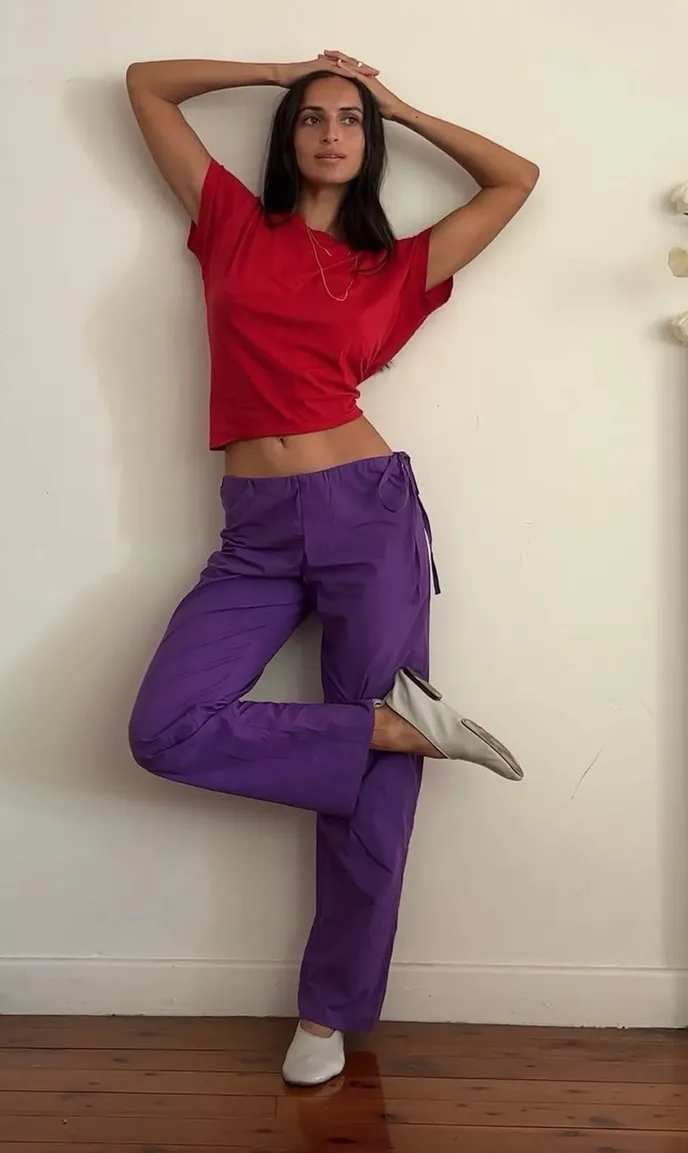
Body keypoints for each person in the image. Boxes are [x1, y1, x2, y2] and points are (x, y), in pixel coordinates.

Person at [125, 50, 538, 1086]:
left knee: (374, 799)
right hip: (255, 532)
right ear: (288, 133)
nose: (331, 132)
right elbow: (145, 83)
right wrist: (279, 70)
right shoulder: (232, 221)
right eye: (312, 117)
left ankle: (329, 1013)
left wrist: (400, 104)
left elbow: (515, 178)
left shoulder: (397, 267)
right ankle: (390, 728)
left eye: (351, 120)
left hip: (367, 516)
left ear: (370, 140)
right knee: (164, 726)